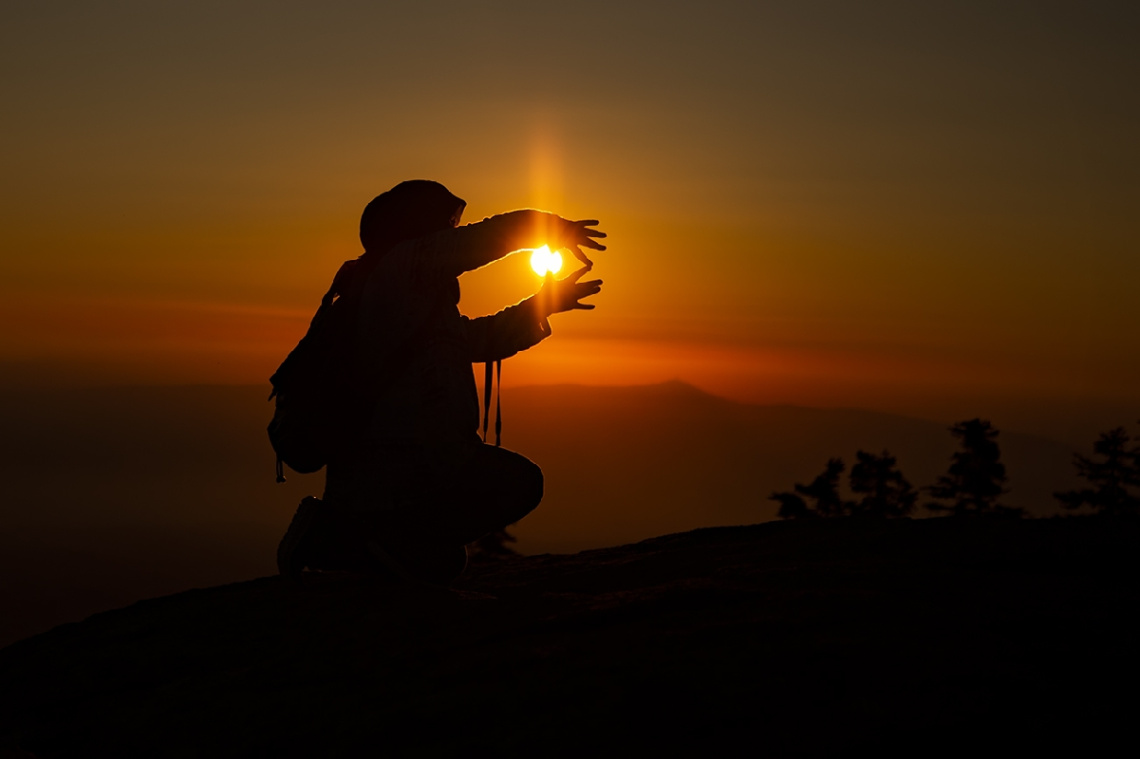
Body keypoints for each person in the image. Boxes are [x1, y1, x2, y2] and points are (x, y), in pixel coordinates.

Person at [277, 180, 606, 584]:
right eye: (446, 223)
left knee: (441, 562)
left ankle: (351, 538)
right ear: (419, 226)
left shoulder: (405, 296)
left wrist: (543, 306)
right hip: (401, 466)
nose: (451, 231)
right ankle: (341, 536)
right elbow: (482, 239)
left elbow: (470, 341)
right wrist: (551, 227)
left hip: (405, 465)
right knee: (517, 483)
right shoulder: (401, 267)